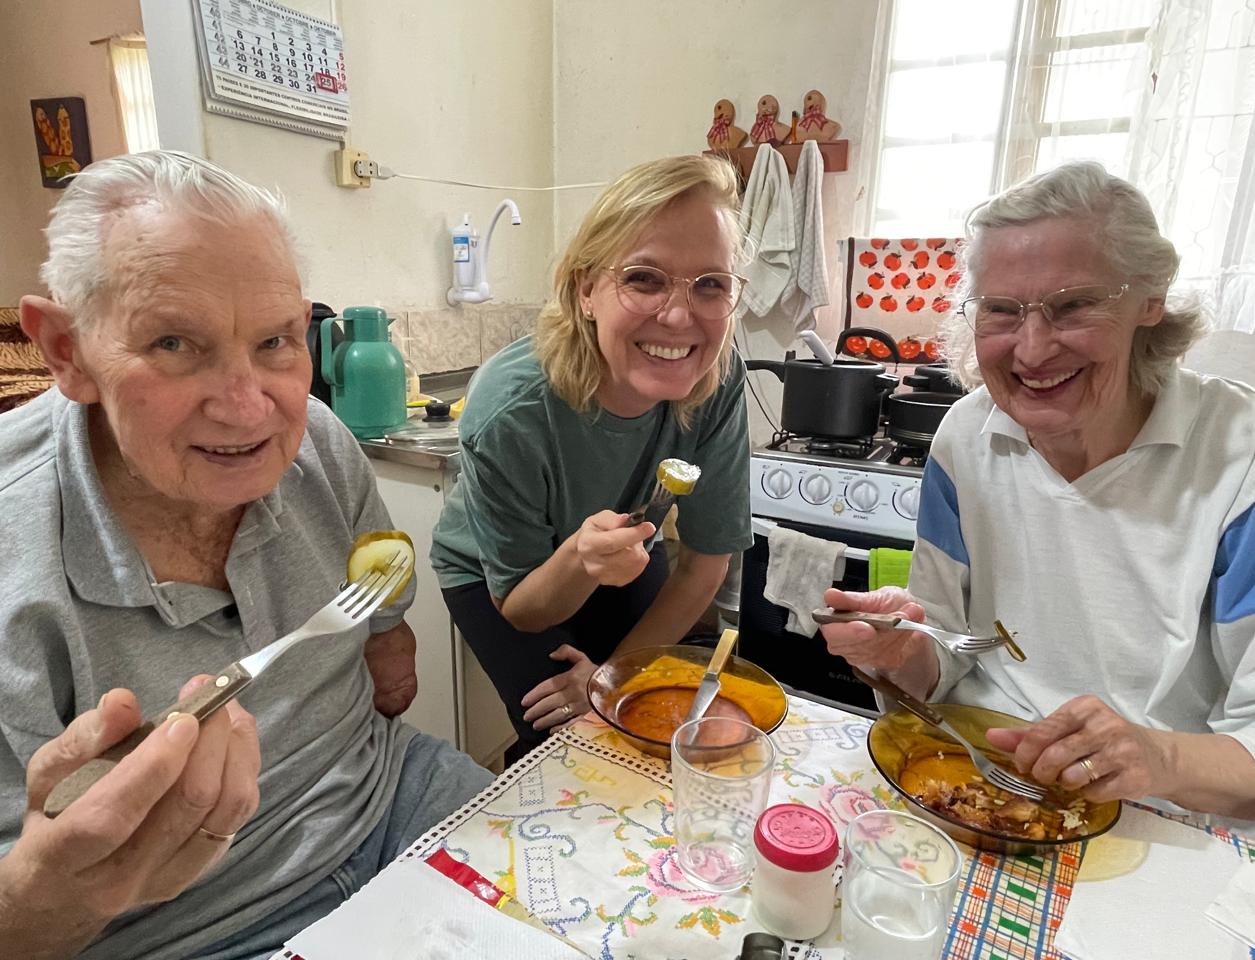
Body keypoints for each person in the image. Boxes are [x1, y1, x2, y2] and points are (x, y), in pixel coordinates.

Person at [0, 151, 492, 960]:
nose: (245, 405)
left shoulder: (320, 444)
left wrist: (389, 638)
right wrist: (47, 897)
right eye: (173, 343)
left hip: (394, 800)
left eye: (274, 342)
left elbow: (384, 602)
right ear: (66, 350)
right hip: (190, 930)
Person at [820, 160, 1255, 845]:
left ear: (1148, 300)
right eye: (1002, 310)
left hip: (1162, 823)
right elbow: (945, 657)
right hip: (972, 786)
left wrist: (1157, 755)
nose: (1032, 350)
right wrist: (895, 652)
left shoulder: (1250, 461)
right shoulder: (966, 437)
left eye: (1073, 306)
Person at [430, 155, 754, 760]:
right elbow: (524, 609)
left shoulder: (719, 378)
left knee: (640, 715)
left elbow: (707, 561)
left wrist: (610, 678)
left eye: (711, 284)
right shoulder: (512, 409)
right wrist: (578, 559)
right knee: (560, 738)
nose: (679, 317)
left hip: (626, 553)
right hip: (500, 574)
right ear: (587, 290)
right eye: (644, 278)